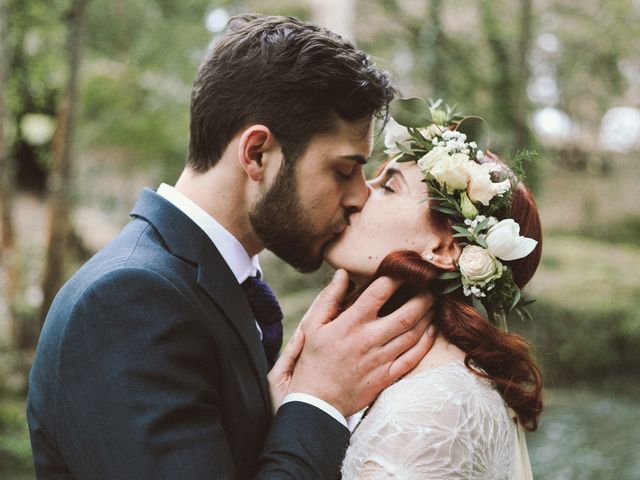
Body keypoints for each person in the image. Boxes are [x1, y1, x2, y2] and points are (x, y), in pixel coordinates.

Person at [26, 15, 436, 480]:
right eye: (344, 170)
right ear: (257, 153)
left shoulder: (220, 288)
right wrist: (320, 400)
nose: (361, 195)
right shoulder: (127, 300)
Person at [324, 101, 544, 479]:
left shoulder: (430, 411)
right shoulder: (413, 380)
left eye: (388, 187)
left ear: (444, 249)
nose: (359, 192)